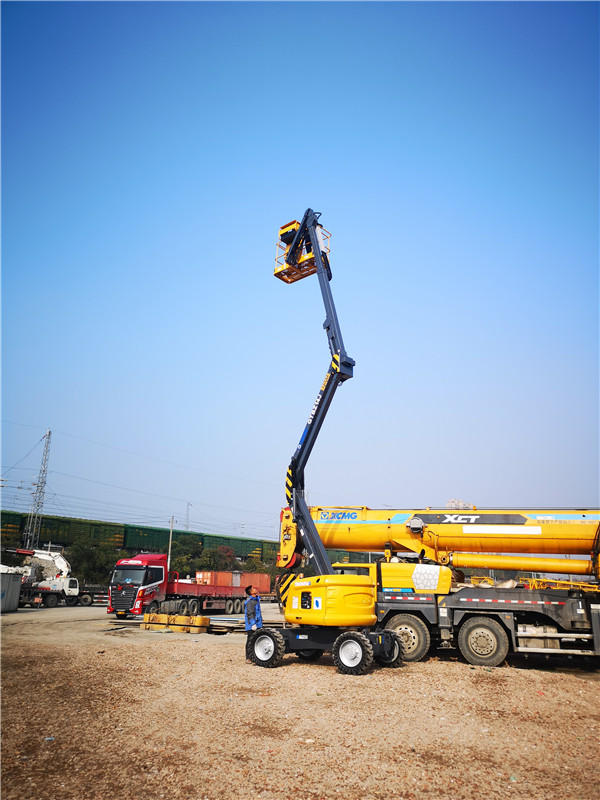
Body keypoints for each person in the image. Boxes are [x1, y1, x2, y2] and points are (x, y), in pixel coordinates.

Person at [244, 584, 263, 661]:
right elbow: (250, 613)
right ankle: (249, 658)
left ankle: (255, 657)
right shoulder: (250, 602)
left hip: (258, 624)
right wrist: (253, 624)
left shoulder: (256, 600)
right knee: (250, 641)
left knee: (256, 640)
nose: (255, 589)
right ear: (251, 592)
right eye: (253, 589)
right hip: (252, 625)